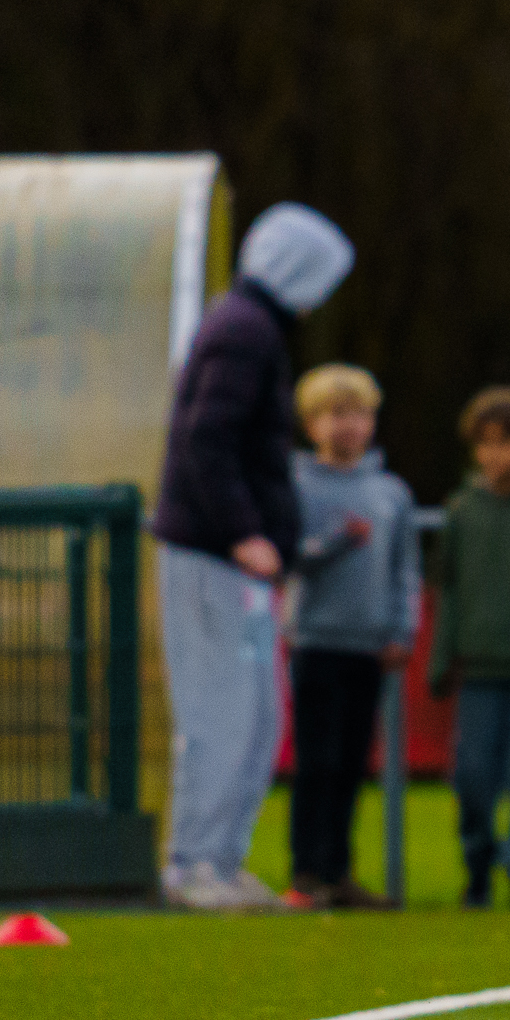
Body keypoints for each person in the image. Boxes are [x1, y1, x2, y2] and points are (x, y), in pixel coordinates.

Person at [153, 202, 355, 910]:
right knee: (222, 713)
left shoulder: (249, 326)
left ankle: (221, 857)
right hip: (214, 558)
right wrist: (243, 529)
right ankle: (193, 863)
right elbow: (207, 439)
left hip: (234, 562)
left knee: (259, 714)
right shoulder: (243, 331)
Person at [283, 364, 419, 909]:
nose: (349, 425)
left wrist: (401, 629)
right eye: (336, 414)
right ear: (312, 424)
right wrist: (338, 542)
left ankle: (338, 874)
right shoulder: (296, 487)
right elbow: (293, 556)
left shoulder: (391, 493)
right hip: (315, 644)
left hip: (371, 648)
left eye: (359, 414)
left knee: (351, 764)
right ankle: (306, 874)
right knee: (315, 762)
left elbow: (405, 569)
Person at [429, 387, 510, 908]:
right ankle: (476, 868)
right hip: (479, 672)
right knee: (473, 779)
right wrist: (442, 660)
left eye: (507, 443)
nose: (495, 456)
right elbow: (451, 590)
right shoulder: (462, 511)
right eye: (485, 445)